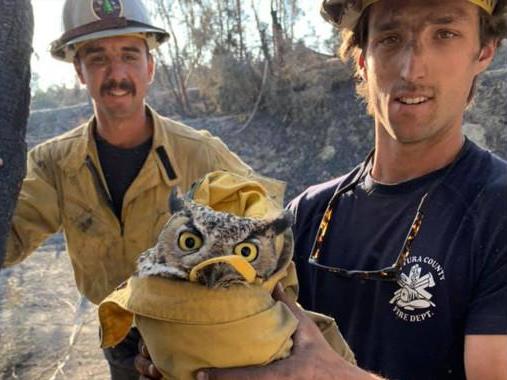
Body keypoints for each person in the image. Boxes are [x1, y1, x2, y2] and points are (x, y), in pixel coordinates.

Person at [171, 0, 507, 379]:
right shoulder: (308, 216)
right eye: (391, 38)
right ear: (362, 58)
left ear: (483, 51)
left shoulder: (496, 212)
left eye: (444, 35)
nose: (413, 69)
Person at [1, 0, 284, 379]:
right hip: (119, 341)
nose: (116, 72)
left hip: (199, 344)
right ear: (79, 71)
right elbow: (9, 239)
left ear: (149, 67)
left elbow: (271, 234)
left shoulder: (200, 155)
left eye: (130, 55)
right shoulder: (53, 165)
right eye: (97, 57)